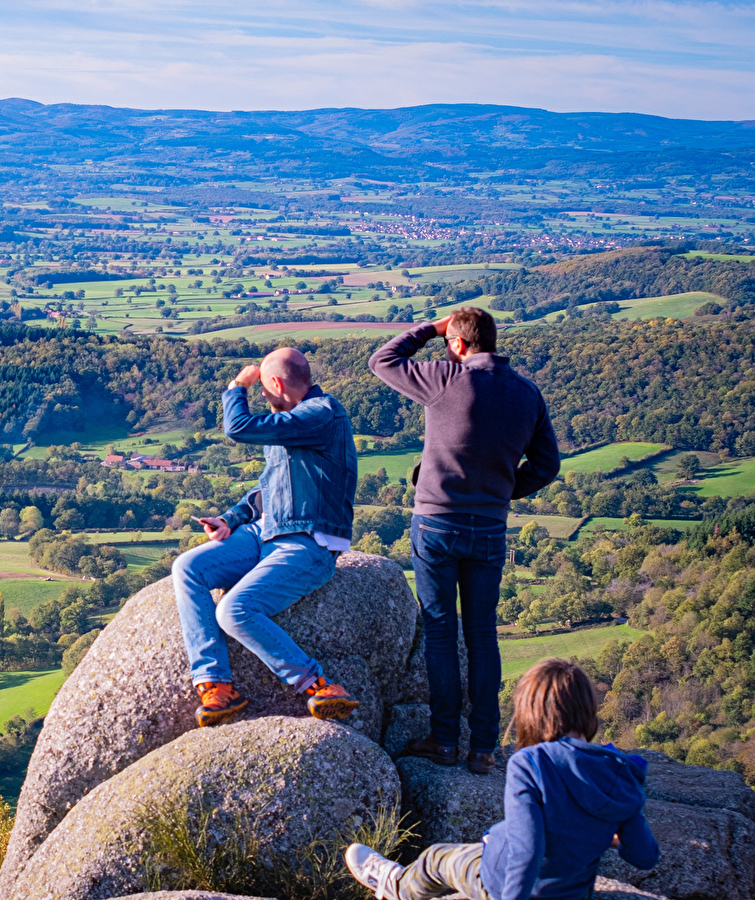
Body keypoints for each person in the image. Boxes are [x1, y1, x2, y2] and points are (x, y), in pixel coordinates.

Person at [368, 308, 559, 774]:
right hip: (490, 527)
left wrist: (430, 329)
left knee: (440, 630)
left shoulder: (445, 378)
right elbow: (547, 466)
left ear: (457, 344)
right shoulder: (527, 394)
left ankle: (445, 740)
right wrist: (502, 488)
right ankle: (484, 748)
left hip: (436, 522)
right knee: (481, 635)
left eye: (448, 339)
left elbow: (383, 359)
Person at [344, 658, 658, 900]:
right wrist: (605, 834)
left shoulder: (532, 764)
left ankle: (394, 884)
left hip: (499, 878)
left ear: (532, 714)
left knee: (435, 859)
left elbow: (526, 849)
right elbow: (644, 856)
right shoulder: (620, 771)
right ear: (588, 712)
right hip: (571, 891)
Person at [175, 347, 360, 727]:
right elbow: (269, 487)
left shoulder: (321, 414)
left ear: (275, 383)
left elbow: (237, 427)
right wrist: (230, 519)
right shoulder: (293, 421)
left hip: (308, 541)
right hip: (267, 531)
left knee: (233, 611)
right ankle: (215, 685)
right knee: (188, 567)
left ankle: (317, 684)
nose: (261, 395)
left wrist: (236, 386)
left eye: (262, 388)